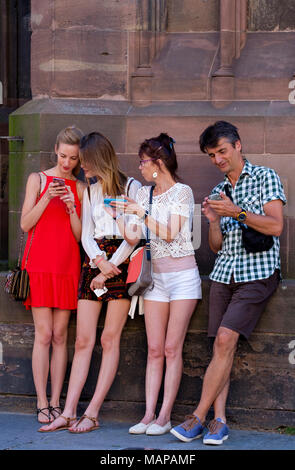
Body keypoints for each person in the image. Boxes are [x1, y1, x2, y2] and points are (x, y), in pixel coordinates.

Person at [170, 121, 286, 445]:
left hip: (258, 273)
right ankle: (219, 422)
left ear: (237, 145)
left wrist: (237, 212)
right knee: (221, 346)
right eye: (211, 155)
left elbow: (276, 226)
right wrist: (214, 222)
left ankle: (197, 417)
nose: (218, 159)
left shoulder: (266, 177)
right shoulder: (219, 191)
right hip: (224, 273)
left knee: (223, 340)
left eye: (221, 151)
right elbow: (216, 246)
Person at [39, 131, 141, 433]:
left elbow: (134, 236)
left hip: (121, 262)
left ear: (98, 159)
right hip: (94, 260)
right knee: (83, 340)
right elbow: (86, 232)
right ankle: (69, 412)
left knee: (110, 339)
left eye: (85, 162)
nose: (82, 168)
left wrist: (112, 266)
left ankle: (92, 413)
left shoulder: (131, 186)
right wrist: (98, 262)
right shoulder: (93, 189)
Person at [111, 133, 202, 436]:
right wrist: (121, 216)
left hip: (182, 278)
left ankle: (164, 416)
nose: (139, 167)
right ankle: (149, 414)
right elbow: (134, 237)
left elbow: (170, 233)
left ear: (158, 163)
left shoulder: (182, 192)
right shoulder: (143, 194)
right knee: (153, 349)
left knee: (172, 347)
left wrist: (141, 213)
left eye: (143, 162)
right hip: (154, 279)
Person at [20, 126, 85, 423]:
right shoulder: (38, 179)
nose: (67, 163)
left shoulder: (82, 188)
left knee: (61, 336)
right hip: (40, 265)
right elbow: (25, 224)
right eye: (63, 155)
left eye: (73, 158)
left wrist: (72, 208)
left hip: (67, 266)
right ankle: (41, 401)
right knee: (43, 334)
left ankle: (57, 402)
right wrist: (47, 197)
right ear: (55, 150)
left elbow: (80, 237)